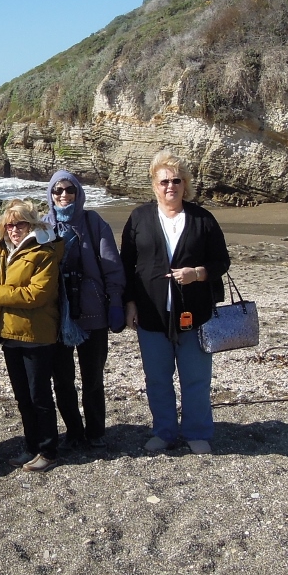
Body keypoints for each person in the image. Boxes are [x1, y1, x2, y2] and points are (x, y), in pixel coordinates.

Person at [121, 151, 231, 455]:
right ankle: (165, 432)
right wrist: (130, 303)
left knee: (196, 378)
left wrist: (197, 274)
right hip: (151, 313)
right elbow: (126, 265)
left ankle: (197, 432)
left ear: (186, 185)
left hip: (195, 313)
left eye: (177, 181)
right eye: (164, 181)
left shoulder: (201, 219)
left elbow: (222, 261)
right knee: (157, 379)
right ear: (154, 186)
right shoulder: (139, 218)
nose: (171, 186)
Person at [45, 170, 126, 450]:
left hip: (94, 315)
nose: (64, 195)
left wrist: (116, 302)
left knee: (93, 378)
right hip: (56, 317)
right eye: (58, 191)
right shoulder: (43, 227)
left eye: (69, 190)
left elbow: (112, 267)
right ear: (50, 195)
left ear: (78, 193)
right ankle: (74, 431)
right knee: (62, 381)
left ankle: (95, 432)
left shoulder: (94, 223)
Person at [0, 199, 63, 472]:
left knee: (39, 396)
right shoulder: (5, 251)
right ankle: (31, 447)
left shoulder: (44, 252)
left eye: (20, 223)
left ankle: (48, 451)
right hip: (9, 333)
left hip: (36, 334)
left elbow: (35, 295)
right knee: (22, 396)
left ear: (32, 224)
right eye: (10, 224)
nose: (15, 229)